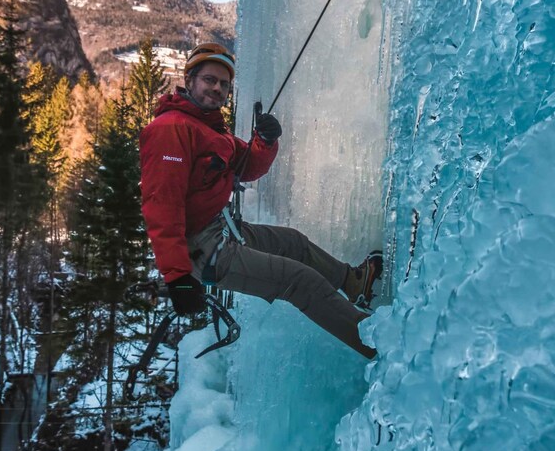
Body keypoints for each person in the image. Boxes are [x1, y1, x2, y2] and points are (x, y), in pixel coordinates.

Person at [139, 43, 381, 359]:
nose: (217, 89)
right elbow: (162, 206)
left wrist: (265, 142)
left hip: (219, 232)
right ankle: (377, 344)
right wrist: (178, 277)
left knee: (294, 244)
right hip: (199, 251)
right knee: (298, 281)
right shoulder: (172, 129)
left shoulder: (208, 128)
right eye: (210, 80)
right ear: (191, 79)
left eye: (224, 84)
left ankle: (354, 283)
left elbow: (248, 167)